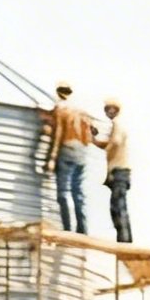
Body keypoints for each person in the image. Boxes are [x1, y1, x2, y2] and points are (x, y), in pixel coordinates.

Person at [39, 83, 98, 234]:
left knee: (63, 193)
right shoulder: (81, 111)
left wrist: (51, 158)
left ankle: (67, 229)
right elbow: (92, 132)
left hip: (67, 149)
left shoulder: (60, 108)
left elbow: (58, 133)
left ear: (58, 93)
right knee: (78, 193)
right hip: (82, 152)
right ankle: (82, 230)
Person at [94, 97, 132, 244]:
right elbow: (109, 143)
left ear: (116, 111)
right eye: (107, 109)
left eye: (111, 109)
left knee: (118, 207)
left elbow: (114, 142)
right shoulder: (115, 126)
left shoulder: (117, 124)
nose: (109, 112)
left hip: (119, 172)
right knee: (118, 207)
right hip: (119, 172)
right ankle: (125, 240)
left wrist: (107, 147)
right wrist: (94, 139)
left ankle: (124, 242)